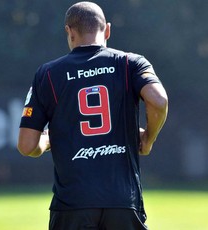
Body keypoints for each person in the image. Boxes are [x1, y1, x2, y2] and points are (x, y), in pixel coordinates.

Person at [17, 1, 168, 230]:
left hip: (71, 205)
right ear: (107, 29)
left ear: (69, 31)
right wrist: (148, 138)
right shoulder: (131, 63)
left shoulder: (47, 74)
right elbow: (159, 101)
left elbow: (27, 145)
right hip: (123, 202)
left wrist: (48, 140)